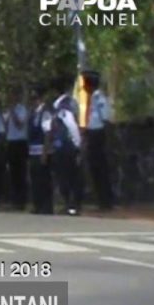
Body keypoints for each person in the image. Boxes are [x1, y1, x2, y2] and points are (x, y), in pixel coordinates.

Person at [84, 70, 114, 210]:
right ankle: (100, 200)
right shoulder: (89, 99)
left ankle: (106, 201)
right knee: (94, 169)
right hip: (91, 135)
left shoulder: (99, 98)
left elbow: (106, 120)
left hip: (98, 135)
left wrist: (107, 141)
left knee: (101, 169)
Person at [53, 77, 83, 215]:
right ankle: (70, 204)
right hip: (63, 146)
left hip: (67, 146)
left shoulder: (64, 105)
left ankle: (72, 206)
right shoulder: (65, 103)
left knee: (68, 177)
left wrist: (77, 143)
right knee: (66, 176)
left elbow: (71, 125)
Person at [28, 85, 54, 214]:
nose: (34, 101)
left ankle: (46, 206)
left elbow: (48, 133)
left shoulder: (45, 113)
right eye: (32, 98)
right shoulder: (33, 113)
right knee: (35, 179)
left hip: (42, 151)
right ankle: (37, 204)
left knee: (44, 179)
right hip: (33, 151)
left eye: (36, 98)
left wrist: (45, 152)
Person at [6, 88, 29, 210]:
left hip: (20, 142)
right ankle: (14, 200)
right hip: (11, 142)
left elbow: (19, 124)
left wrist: (12, 112)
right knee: (13, 172)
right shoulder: (10, 110)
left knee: (21, 172)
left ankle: (22, 200)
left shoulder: (21, 110)